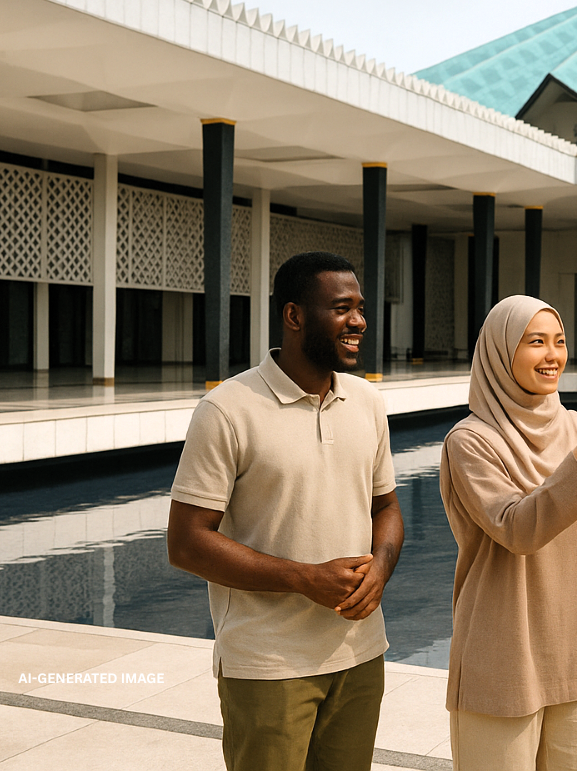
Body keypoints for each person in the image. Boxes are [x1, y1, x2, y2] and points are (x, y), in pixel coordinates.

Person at [167, 251, 404, 771]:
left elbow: (386, 506)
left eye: (360, 308)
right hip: (268, 664)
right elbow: (186, 543)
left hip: (360, 654)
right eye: (342, 308)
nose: (359, 321)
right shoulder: (226, 410)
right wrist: (303, 578)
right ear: (294, 315)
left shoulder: (367, 402)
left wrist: (381, 567)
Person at [439, 295, 577, 771]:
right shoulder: (470, 441)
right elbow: (518, 529)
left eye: (559, 341)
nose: (552, 355)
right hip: (502, 655)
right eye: (535, 342)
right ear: (500, 351)